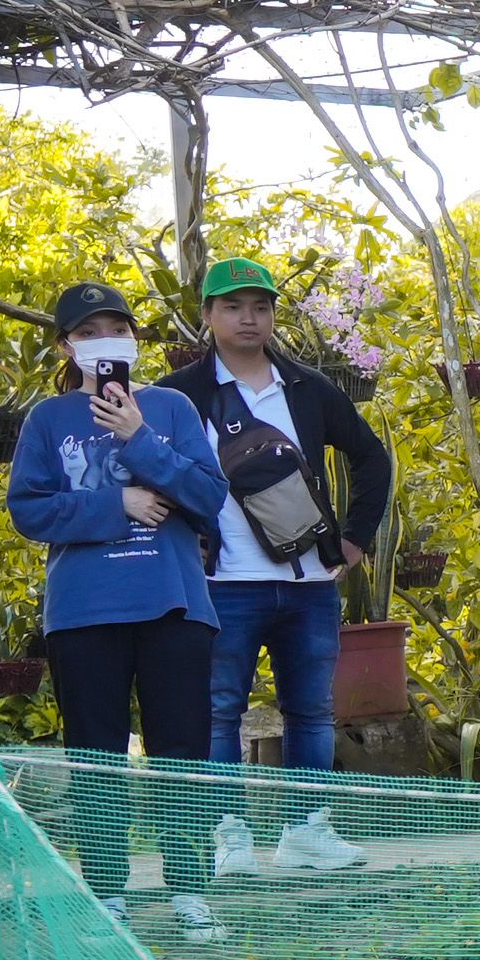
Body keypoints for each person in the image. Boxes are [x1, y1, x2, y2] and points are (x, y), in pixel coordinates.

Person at [6, 281, 228, 926]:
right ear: (68, 346)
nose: (107, 340)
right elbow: (29, 510)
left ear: (134, 338)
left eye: (117, 328)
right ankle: (108, 895)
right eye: (90, 331)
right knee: (96, 758)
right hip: (84, 613)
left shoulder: (171, 406)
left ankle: (191, 892)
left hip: (174, 605)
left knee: (182, 757)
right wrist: (117, 504)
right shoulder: (48, 419)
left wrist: (138, 437)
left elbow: (209, 497)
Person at [166, 254, 387, 879]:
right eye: (233, 306)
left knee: (312, 709)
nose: (248, 318)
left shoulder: (308, 387)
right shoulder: (180, 394)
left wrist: (355, 539)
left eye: (260, 306)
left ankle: (306, 832)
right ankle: (228, 838)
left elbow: (371, 458)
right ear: (208, 316)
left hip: (309, 583)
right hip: (222, 583)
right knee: (218, 711)